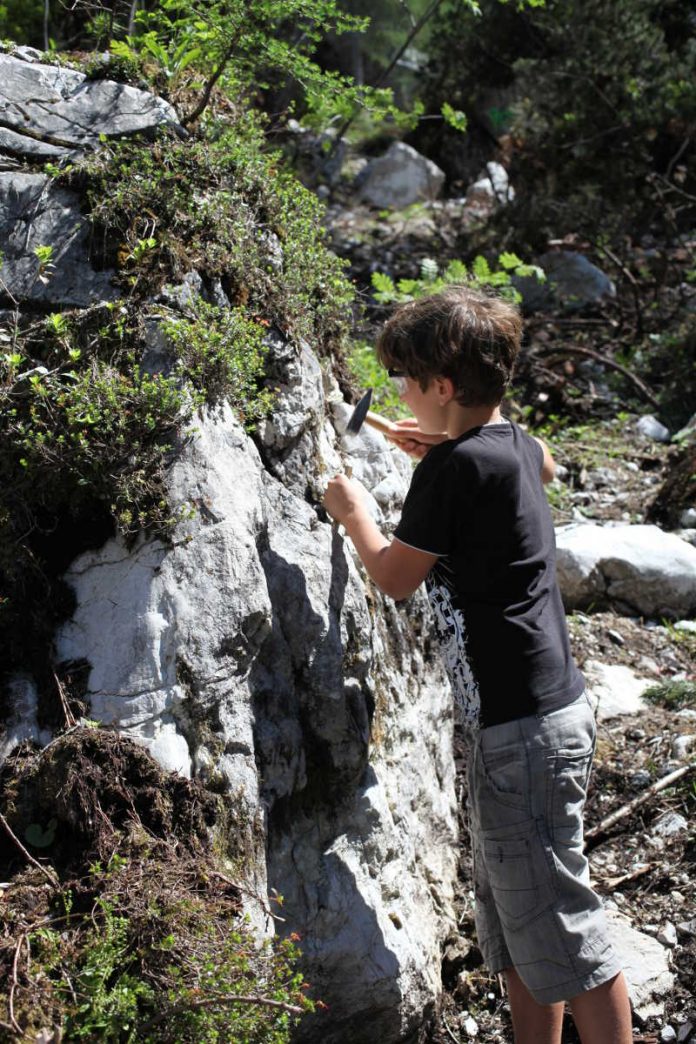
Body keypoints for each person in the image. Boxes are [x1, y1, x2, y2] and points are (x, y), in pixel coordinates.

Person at [322, 287, 632, 1044]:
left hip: (520, 731)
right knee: (521, 921)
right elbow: (543, 467)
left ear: (442, 387)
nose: (398, 393)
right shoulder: (512, 447)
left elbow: (395, 577)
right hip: (534, 718)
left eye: (406, 379)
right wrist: (440, 446)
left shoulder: (454, 473)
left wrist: (353, 511)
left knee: (564, 925)